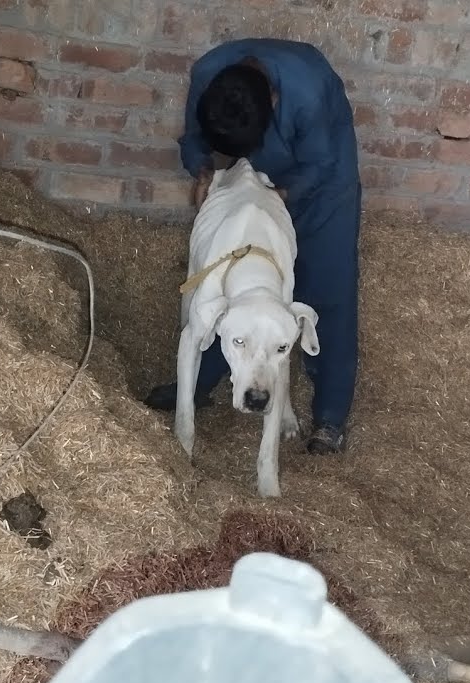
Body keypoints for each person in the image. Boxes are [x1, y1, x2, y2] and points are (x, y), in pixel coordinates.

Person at [142, 38, 362, 455]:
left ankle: (329, 416)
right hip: (250, 173)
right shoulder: (210, 73)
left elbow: (321, 163)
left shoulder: (309, 90)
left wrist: (283, 194)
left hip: (322, 179)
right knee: (232, 284)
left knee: (323, 284)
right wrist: (205, 171)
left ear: (274, 102)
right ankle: (200, 383)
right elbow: (194, 138)